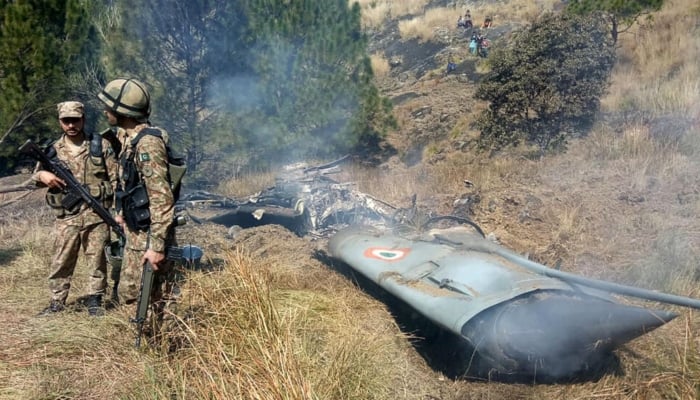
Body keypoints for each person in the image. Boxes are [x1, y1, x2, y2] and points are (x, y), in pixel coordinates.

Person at [96, 78, 177, 319]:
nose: (105, 112)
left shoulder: (147, 145)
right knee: (132, 292)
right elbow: (130, 185)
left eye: (110, 108)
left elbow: (162, 199)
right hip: (136, 232)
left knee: (144, 295)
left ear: (123, 112)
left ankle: (154, 346)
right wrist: (122, 212)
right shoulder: (131, 139)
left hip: (148, 237)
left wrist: (157, 247)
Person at [34, 101, 119, 316]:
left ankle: (95, 300)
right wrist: (42, 175)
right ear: (60, 122)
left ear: (83, 119)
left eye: (75, 120)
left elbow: (117, 180)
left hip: (96, 214)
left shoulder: (100, 146)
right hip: (67, 217)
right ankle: (57, 301)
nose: (71, 125)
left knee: (97, 259)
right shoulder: (52, 150)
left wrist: (118, 213)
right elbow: (35, 176)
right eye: (66, 121)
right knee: (61, 260)